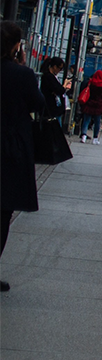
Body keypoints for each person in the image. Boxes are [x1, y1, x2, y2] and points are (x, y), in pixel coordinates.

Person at [1, 21, 40, 292]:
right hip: (8, 151)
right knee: (2, 213)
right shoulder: (22, 74)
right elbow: (39, 105)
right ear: (17, 45)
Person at [76, 71, 102, 143]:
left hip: (89, 104)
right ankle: (95, 138)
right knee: (97, 122)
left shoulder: (90, 83)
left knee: (86, 120)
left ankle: (83, 135)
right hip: (98, 105)